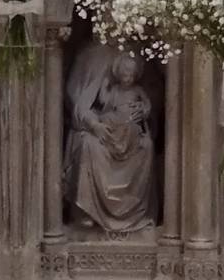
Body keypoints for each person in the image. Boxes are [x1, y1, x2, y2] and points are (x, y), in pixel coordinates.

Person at [63, 45, 155, 233]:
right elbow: (81, 104)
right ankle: (87, 211)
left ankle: (137, 213)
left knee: (147, 146)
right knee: (88, 144)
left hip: (129, 131)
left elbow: (154, 98)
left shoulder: (136, 51)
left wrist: (144, 109)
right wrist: (94, 124)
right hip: (100, 127)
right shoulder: (89, 55)